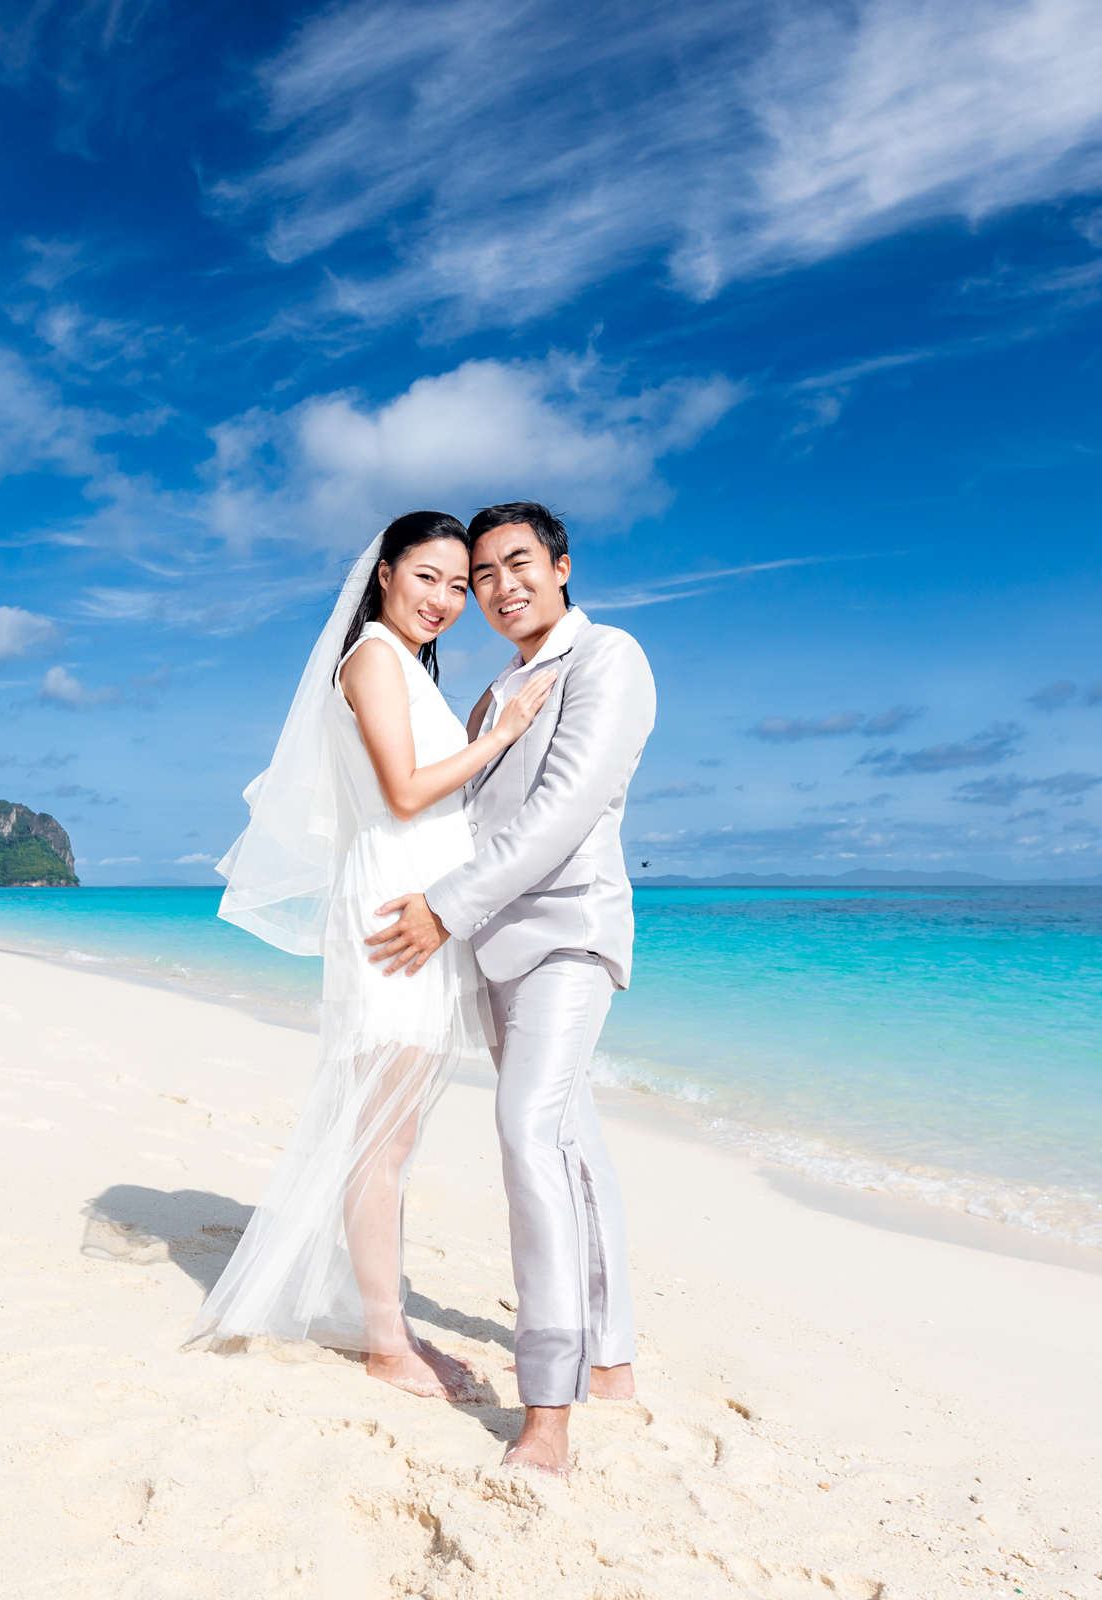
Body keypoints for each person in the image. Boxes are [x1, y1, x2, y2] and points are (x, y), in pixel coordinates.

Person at [195, 510, 559, 1399]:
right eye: (426, 577)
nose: (444, 598)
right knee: (380, 1146)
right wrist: (500, 735)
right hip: (396, 912)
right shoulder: (371, 658)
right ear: (386, 574)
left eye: (455, 584)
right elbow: (403, 793)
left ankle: (379, 1322)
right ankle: (387, 1343)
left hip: (421, 908)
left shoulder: (403, 667)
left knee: (390, 1137)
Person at [365, 501, 656, 1478]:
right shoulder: (492, 697)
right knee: (568, 1136)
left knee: (526, 1129)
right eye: (481, 572)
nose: (498, 586)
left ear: (563, 565)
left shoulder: (608, 658)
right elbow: (453, 811)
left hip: (568, 932)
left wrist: (444, 905)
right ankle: (609, 1359)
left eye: (517, 563)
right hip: (490, 947)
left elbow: (565, 809)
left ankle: (549, 1410)